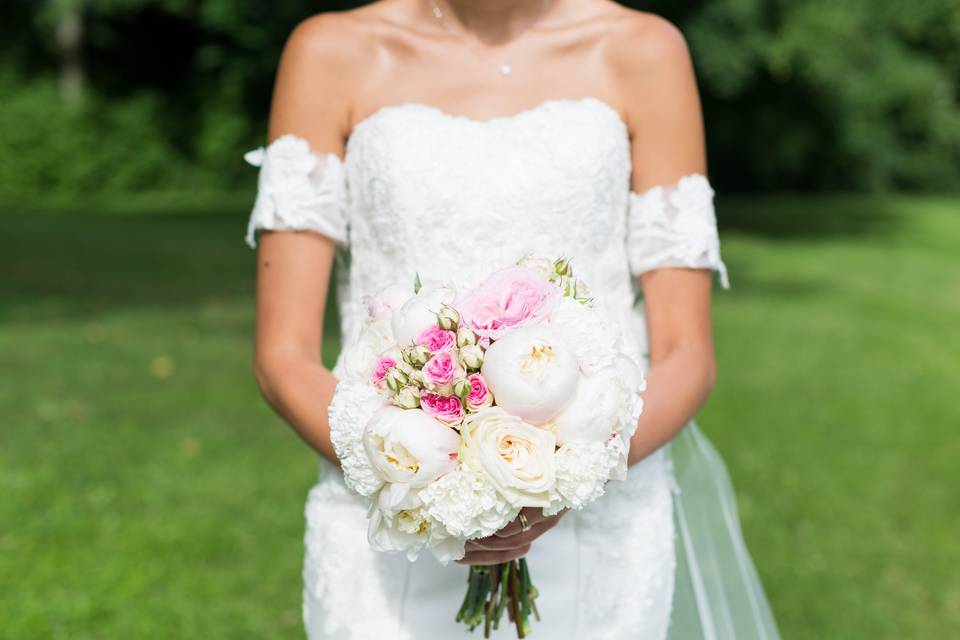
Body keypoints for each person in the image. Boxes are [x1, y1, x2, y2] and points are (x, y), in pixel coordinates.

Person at [246, 0, 781, 637]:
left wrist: (555, 479)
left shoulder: (641, 50)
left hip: (600, 516)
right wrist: (422, 485)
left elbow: (685, 353)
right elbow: (283, 356)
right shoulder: (333, 51)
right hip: (391, 519)